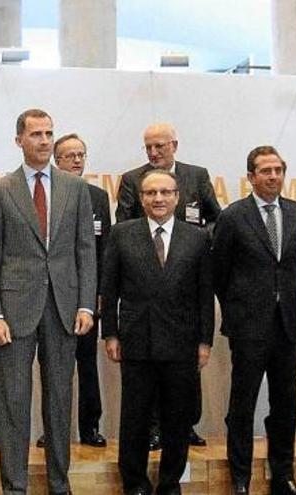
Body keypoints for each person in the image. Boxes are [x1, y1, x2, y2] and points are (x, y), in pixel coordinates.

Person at [0, 108, 96, 495]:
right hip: (13, 312)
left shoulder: (75, 188)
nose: (44, 141)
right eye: (36, 134)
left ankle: (59, 485)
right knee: (13, 403)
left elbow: (85, 250)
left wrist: (85, 305)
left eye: (49, 134)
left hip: (63, 308)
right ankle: (15, 487)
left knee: (60, 402)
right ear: (19, 141)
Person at [102, 168, 213, 494]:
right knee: (134, 418)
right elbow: (109, 290)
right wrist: (110, 333)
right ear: (141, 198)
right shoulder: (122, 233)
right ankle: (134, 483)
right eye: (151, 193)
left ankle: (169, 483)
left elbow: (205, 294)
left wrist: (204, 341)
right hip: (137, 340)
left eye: (165, 192)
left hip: (182, 342)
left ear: (177, 197)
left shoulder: (197, 237)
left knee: (177, 419)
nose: (158, 198)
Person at [115, 122, 218, 448]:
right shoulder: (133, 179)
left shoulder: (196, 175)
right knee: (145, 378)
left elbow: (216, 217)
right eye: (148, 147)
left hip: (185, 278)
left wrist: (197, 243)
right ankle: (154, 428)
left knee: (185, 372)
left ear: (175, 144)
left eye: (159, 146)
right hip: (146, 284)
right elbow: (124, 222)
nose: (153, 152)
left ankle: (186, 425)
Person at [213, 146, 296, 495]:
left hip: (286, 325)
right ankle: (241, 480)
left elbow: (295, 269)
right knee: (243, 404)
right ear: (251, 177)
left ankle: (283, 476)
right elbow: (219, 273)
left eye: (278, 170)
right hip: (248, 326)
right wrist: (240, 307)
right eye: (265, 171)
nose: (273, 176)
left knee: (286, 404)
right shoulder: (233, 216)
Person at [47, 133, 109, 449]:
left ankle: (90, 427)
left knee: (87, 365)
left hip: (86, 297)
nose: (76, 160)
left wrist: (98, 294)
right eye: (69, 155)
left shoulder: (98, 197)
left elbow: (104, 252)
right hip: (53, 296)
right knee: (56, 368)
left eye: (81, 154)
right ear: (57, 160)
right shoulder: (46, 194)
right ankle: (53, 429)